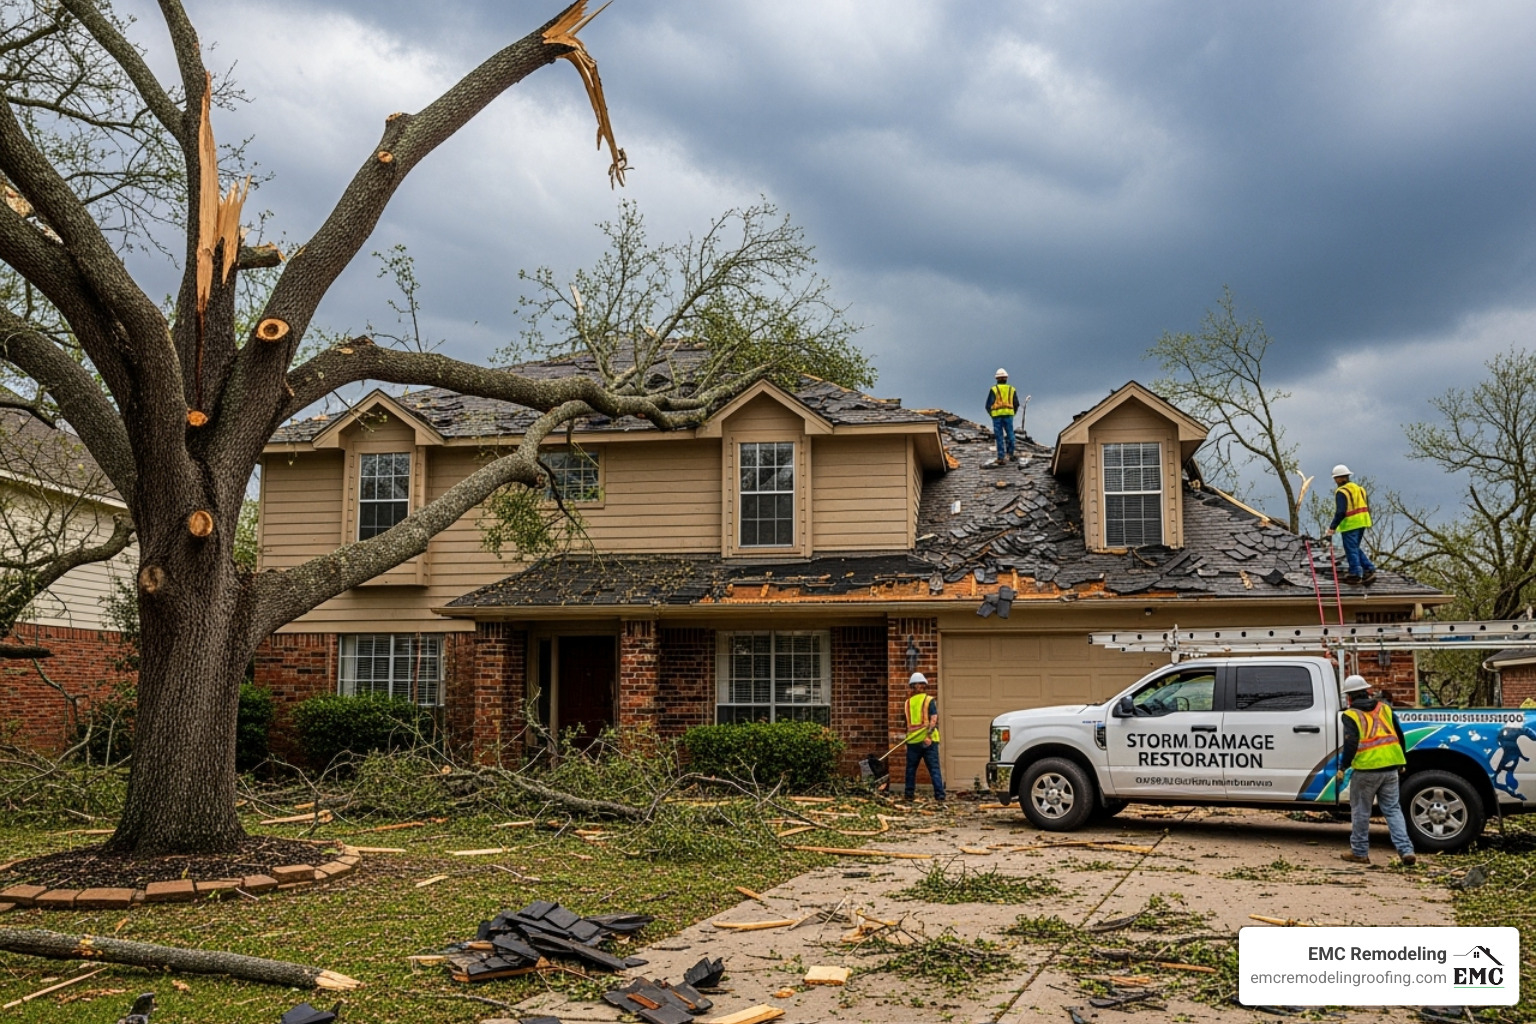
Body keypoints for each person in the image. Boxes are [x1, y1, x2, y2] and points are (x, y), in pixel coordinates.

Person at [1336, 674, 1415, 866]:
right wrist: (1402, 760)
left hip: (1366, 769)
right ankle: (1406, 850)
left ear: (1349, 697)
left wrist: (1343, 766)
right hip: (1390, 767)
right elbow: (1398, 734)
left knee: (1361, 811)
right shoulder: (1384, 708)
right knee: (1393, 810)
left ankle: (1360, 852)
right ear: (1368, 691)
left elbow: (1351, 743)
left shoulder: (1351, 715)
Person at [1325, 464, 1377, 585]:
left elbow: (1341, 511)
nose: (1335, 481)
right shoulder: (1358, 488)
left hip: (1351, 524)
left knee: (1350, 548)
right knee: (1355, 547)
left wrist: (1332, 527)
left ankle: (1355, 573)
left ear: (1339, 478)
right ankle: (1369, 568)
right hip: (1363, 521)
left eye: (1335, 478)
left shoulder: (1341, 491)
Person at [903, 672, 946, 802]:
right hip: (929, 741)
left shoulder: (907, 703)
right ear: (924, 685)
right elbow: (933, 719)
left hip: (912, 741)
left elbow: (907, 724)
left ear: (912, 686)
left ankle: (909, 795)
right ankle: (940, 796)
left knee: (910, 769)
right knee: (934, 769)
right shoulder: (929, 700)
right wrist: (928, 735)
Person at [984, 369, 1020, 466]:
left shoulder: (994, 390)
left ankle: (1001, 457)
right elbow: (1016, 404)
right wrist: (1012, 413)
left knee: (999, 437)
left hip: (997, 417)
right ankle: (1010, 453)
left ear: (997, 379)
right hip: (1008, 416)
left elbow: (988, 405)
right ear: (1006, 378)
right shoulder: (1011, 389)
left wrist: (992, 415)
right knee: (1011, 435)